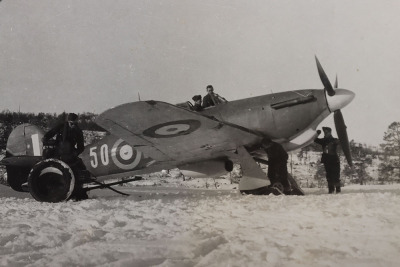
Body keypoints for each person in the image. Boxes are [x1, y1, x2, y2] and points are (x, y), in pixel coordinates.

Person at [314, 127, 341, 194]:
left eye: (326, 132)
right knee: (329, 176)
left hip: (335, 160)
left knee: (336, 175)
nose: (325, 134)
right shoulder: (323, 141)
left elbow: (340, 141)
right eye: (324, 132)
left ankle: (338, 190)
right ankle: (331, 190)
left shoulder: (335, 140)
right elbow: (315, 139)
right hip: (327, 161)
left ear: (330, 132)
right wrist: (317, 134)